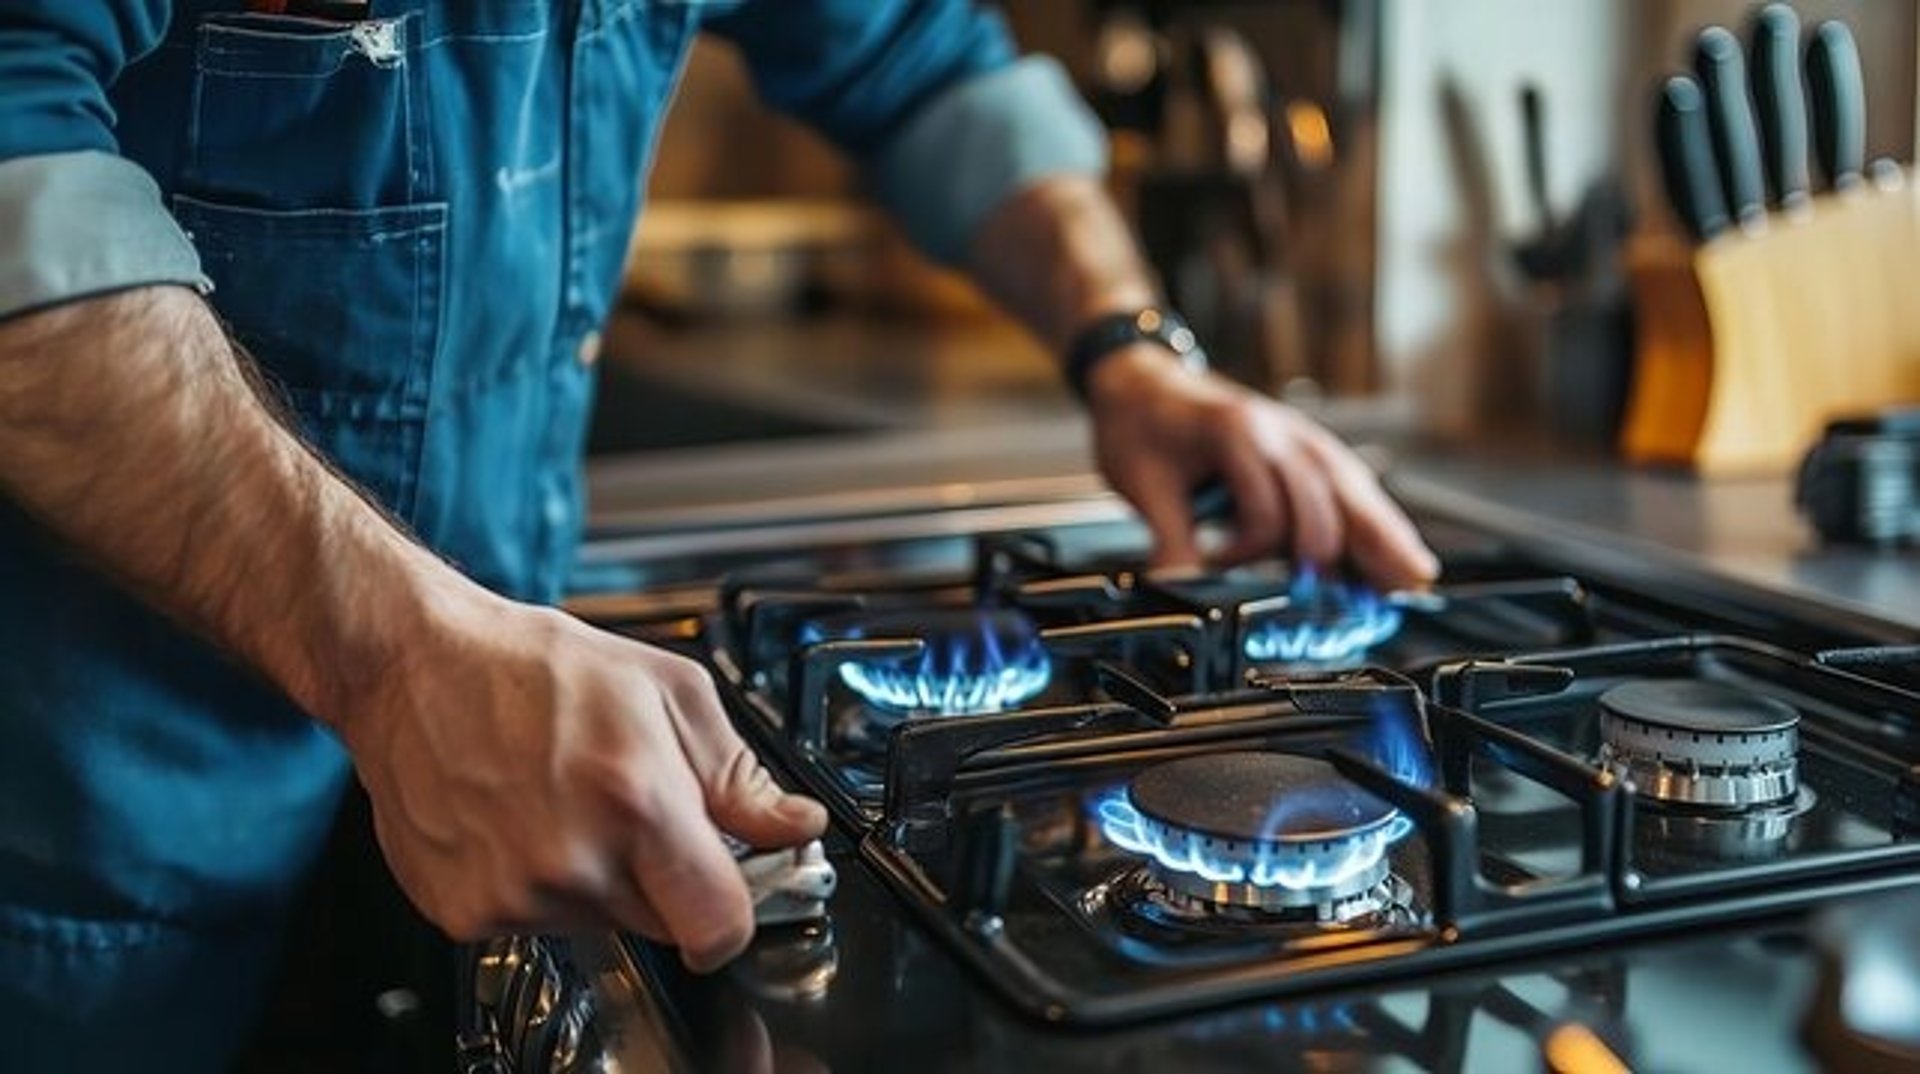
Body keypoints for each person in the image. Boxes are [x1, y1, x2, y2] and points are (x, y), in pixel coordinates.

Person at [0, 1, 1439, 1067]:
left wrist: (1132, 347)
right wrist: (391, 654)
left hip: (495, 782)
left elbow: (918, 60)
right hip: (89, 858)